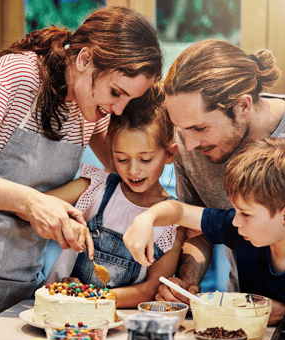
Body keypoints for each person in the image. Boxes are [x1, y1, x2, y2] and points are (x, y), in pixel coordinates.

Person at [123, 38, 285, 324]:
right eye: (182, 129)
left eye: (200, 127)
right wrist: (188, 281)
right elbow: (198, 226)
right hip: (245, 316)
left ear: (242, 105)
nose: (190, 144)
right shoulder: (188, 144)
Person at [0, 5, 162, 321]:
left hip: (20, 290)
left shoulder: (90, 110)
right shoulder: (16, 76)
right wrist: (30, 202)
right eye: (116, 92)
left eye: (128, 101)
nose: (119, 110)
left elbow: (126, 173)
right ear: (84, 59)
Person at [125, 137, 285, 311]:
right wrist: (146, 219)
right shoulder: (245, 229)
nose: (234, 220)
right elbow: (179, 212)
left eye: (245, 213)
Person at [43, 82, 185, 308]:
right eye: (121, 158)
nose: (133, 170)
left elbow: (150, 289)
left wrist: (86, 297)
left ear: (170, 153)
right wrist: (66, 221)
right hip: (58, 310)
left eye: (145, 159)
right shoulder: (95, 186)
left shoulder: (173, 222)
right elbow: (35, 205)